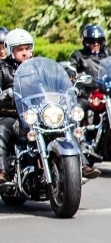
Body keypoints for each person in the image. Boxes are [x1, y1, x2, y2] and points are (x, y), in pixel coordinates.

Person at [0, 29, 99, 182]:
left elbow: (54, 79)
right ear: (10, 50)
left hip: (40, 112)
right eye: (20, 50)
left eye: (27, 48)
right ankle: (2, 171)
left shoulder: (39, 66)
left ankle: (81, 164)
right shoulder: (3, 68)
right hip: (13, 114)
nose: (25, 53)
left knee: (67, 125)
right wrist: (4, 94)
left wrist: (70, 82)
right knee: (1, 131)